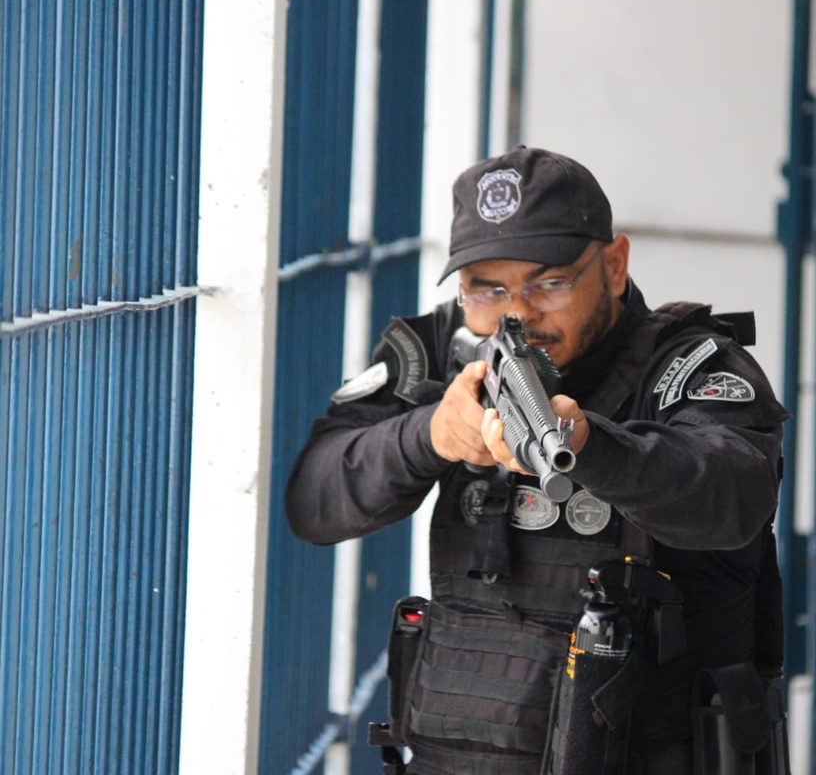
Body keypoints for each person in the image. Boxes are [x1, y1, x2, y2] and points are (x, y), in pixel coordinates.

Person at [286, 146, 790, 775]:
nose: (517, 313)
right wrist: (431, 436)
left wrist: (590, 446)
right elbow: (312, 500)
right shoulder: (441, 353)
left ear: (613, 264)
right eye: (486, 289)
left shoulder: (690, 367)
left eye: (549, 282)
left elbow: (731, 498)